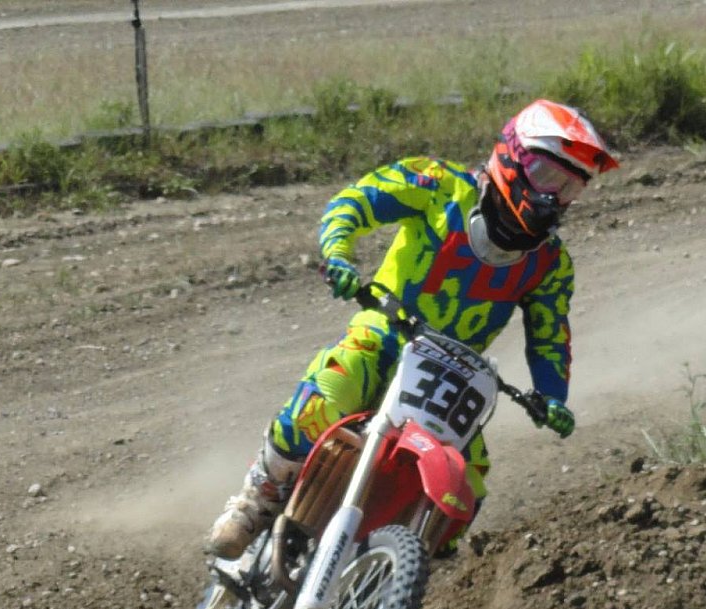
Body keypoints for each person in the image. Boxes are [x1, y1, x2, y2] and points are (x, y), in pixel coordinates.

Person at [207, 98, 619, 559]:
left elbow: (550, 333)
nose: (554, 197)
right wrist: (338, 253)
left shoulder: (551, 263)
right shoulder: (439, 185)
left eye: (570, 187)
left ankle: (403, 575)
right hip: (385, 333)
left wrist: (552, 395)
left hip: (453, 377)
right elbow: (357, 200)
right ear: (511, 157)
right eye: (546, 176)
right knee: (332, 389)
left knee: (469, 482)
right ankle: (255, 501)